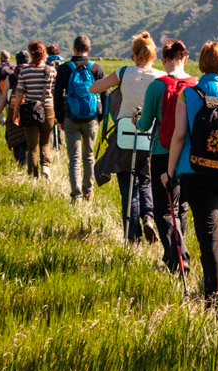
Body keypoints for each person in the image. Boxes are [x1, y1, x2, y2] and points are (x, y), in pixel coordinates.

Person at [162, 41, 218, 315]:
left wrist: (170, 171)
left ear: (201, 64)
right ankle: (217, 293)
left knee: (210, 241)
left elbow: (178, 136)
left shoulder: (189, 95)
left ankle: (217, 309)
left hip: (196, 176)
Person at [90, 31, 164, 243]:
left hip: (124, 138)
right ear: (152, 56)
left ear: (134, 54)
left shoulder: (123, 72)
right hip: (148, 138)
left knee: (128, 186)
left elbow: (93, 88)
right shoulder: (159, 77)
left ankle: (132, 237)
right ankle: (148, 217)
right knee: (146, 181)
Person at [136, 39, 197, 272]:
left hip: (162, 152)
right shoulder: (196, 84)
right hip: (190, 156)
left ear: (163, 60)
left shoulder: (156, 85)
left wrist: (136, 119)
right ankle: (174, 256)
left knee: (163, 208)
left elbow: (144, 125)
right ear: (186, 59)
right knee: (181, 207)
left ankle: (177, 256)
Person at [53, 35, 105, 203]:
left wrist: (60, 118)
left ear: (74, 49)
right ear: (88, 50)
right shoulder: (97, 69)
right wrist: (100, 117)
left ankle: (76, 195)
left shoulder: (64, 69)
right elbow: (105, 95)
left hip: (70, 118)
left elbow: (57, 96)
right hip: (91, 119)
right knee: (88, 156)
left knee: (74, 158)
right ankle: (88, 191)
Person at [12, 41, 57, 178]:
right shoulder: (52, 71)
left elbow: (19, 94)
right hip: (48, 108)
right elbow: (54, 92)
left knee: (32, 146)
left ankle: (33, 176)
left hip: (30, 110)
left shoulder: (24, 71)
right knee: (45, 142)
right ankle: (46, 167)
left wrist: (16, 113)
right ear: (44, 53)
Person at [0, 50, 29, 166]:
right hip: (30, 112)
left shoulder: (11, 76)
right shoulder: (32, 74)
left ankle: (21, 165)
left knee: (15, 140)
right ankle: (26, 167)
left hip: (13, 113)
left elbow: (3, 98)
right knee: (26, 142)